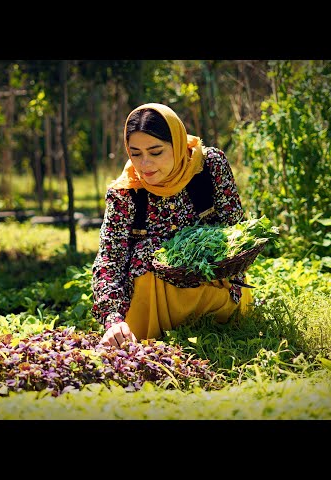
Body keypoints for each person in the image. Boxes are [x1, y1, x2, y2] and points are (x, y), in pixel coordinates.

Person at [91, 102, 253, 348]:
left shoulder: (208, 167)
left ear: (176, 144)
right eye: (136, 153)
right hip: (153, 306)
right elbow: (110, 259)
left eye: (156, 152)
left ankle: (222, 323)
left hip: (212, 291)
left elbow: (235, 230)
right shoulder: (126, 193)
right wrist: (112, 319)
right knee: (148, 250)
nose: (145, 165)